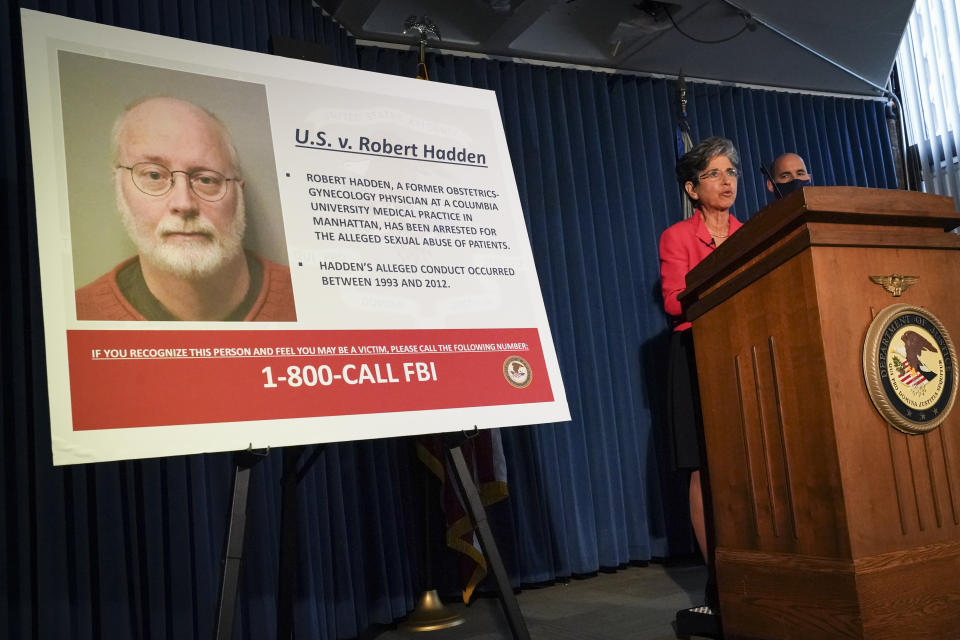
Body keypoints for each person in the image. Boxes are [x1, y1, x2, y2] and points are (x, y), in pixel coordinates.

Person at [75, 96, 296, 321]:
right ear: (118, 187)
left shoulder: (306, 296)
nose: (184, 204)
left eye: (207, 180)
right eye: (154, 175)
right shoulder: (77, 315)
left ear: (239, 194)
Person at [659, 136, 743, 622]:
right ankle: (721, 581)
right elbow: (673, 301)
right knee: (704, 468)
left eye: (730, 171)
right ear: (693, 188)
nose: (726, 180)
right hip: (697, 352)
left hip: (748, 348)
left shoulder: (753, 231)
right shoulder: (678, 237)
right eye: (714, 174)